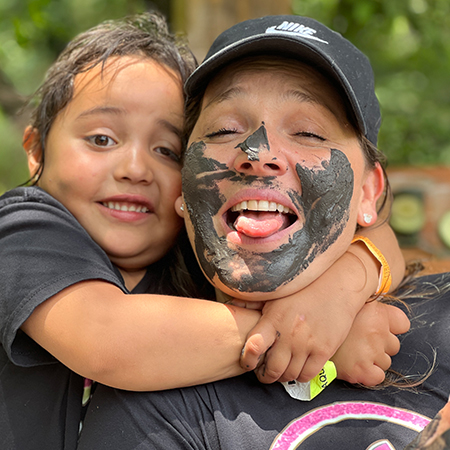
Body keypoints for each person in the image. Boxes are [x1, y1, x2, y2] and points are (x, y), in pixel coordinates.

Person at [0, 12, 405, 450]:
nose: (135, 169)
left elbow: (377, 233)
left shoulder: (204, 249)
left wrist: (336, 297)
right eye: (101, 139)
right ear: (36, 150)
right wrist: (308, 340)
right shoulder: (23, 230)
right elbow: (107, 339)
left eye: (167, 150)